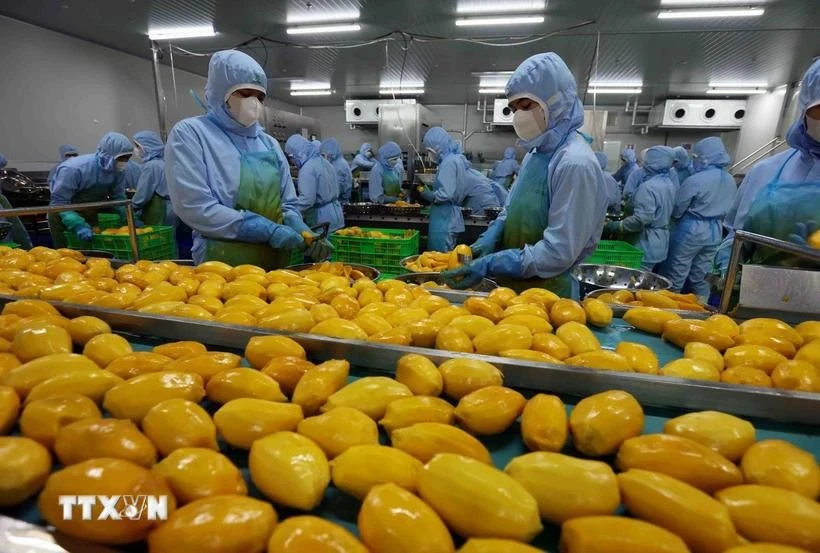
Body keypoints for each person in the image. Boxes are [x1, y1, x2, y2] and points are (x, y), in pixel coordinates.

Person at [442, 52, 607, 297]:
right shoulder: (534, 154)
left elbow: (559, 252)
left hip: (548, 295)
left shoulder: (575, 163)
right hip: (512, 289)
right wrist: (495, 233)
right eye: (514, 108)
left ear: (556, 101)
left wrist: (497, 262)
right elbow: (512, 207)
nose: (519, 115)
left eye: (526, 105)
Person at [165, 50, 331, 268]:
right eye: (245, 94)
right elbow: (194, 206)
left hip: (275, 262)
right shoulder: (191, 135)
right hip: (222, 263)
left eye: (260, 97)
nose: (254, 103)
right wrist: (265, 229)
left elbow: (287, 204)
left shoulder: (268, 143)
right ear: (220, 92)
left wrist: (301, 228)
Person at [716, 59, 820, 271]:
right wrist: (729, 270)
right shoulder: (767, 171)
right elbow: (735, 237)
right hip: (758, 295)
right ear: (804, 108)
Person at [657, 137, 736, 299]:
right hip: (715, 230)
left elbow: (678, 208)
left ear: (705, 157)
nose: (695, 161)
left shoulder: (695, 180)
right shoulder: (730, 179)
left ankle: (670, 311)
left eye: (696, 157)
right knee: (701, 276)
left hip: (692, 229)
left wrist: (674, 219)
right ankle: (702, 310)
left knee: (676, 272)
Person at [48, 132, 133, 248]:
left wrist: (130, 219)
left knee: (93, 252)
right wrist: (78, 225)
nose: (124, 161)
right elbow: (59, 203)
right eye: (122, 158)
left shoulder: (117, 171)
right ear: (108, 154)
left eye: (127, 158)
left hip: (90, 211)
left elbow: (119, 198)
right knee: (67, 254)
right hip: (64, 215)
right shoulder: (74, 169)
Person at [604, 146, 677, 271]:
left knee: (635, 283)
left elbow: (640, 220)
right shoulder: (668, 183)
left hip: (645, 244)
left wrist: (613, 226)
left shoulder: (648, 187)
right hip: (659, 241)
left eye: (646, 161)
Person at [418, 127, 472, 251]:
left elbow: (446, 194)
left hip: (444, 219)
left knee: (438, 259)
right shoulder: (457, 159)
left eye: (429, 151)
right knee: (444, 259)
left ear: (438, 147)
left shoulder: (448, 163)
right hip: (449, 217)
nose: (429, 155)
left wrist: (427, 194)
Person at [284, 134, 344, 232]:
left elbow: (307, 200)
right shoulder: (325, 162)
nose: (292, 161)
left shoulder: (307, 168)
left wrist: (290, 213)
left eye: (291, 157)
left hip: (322, 219)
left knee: (324, 246)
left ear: (297, 153)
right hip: (337, 215)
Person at [130, 130, 177, 228]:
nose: (135, 150)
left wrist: (130, 209)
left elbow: (142, 196)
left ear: (147, 147)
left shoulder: (151, 166)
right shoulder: (166, 162)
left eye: (137, 146)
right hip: (175, 210)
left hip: (161, 212)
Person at [320, 138, 353, 203]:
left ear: (330, 152)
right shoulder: (338, 162)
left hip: (339, 202)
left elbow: (337, 189)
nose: (323, 158)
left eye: (324, 155)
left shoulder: (338, 165)